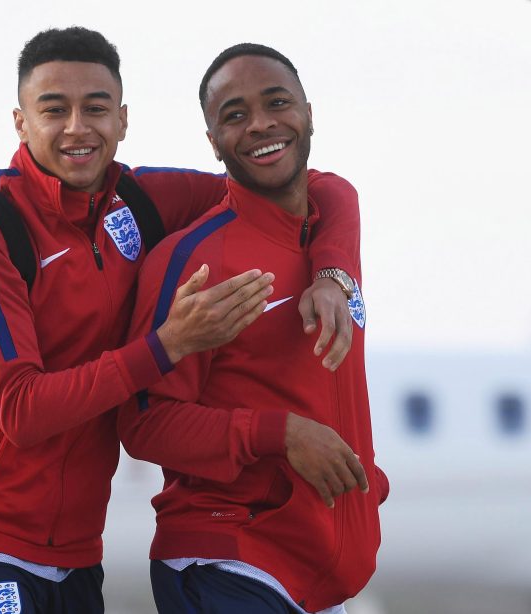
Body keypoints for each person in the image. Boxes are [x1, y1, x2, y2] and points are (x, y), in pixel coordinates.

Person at [0, 28, 362, 614]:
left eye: (95, 109)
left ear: (122, 120)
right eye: (53, 110)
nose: (77, 128)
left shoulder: (139, 202)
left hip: (73, 550)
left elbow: (309, 183)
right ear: (20, 123)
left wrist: (333, 274)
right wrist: (167, 345)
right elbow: (22, 410)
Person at [118, 43, 389, 614]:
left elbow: (337, 188)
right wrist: (282, 434)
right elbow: (145, 424)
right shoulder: (195, 261)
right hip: (229, 563)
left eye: (277, 103)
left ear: (308, 113)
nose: (261, 124)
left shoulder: (328, 241)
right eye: (234, 115)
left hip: (314, 572)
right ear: (213, 141)